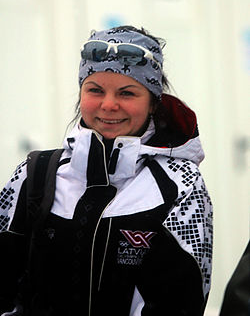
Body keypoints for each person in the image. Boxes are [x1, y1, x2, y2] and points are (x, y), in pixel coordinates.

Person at [0, 25, 213, 315]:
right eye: (95, 90)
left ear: (153, 103)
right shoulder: (34, 173)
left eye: (127, 93)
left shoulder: (179, 184)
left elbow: (181, 300)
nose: (109, 105)